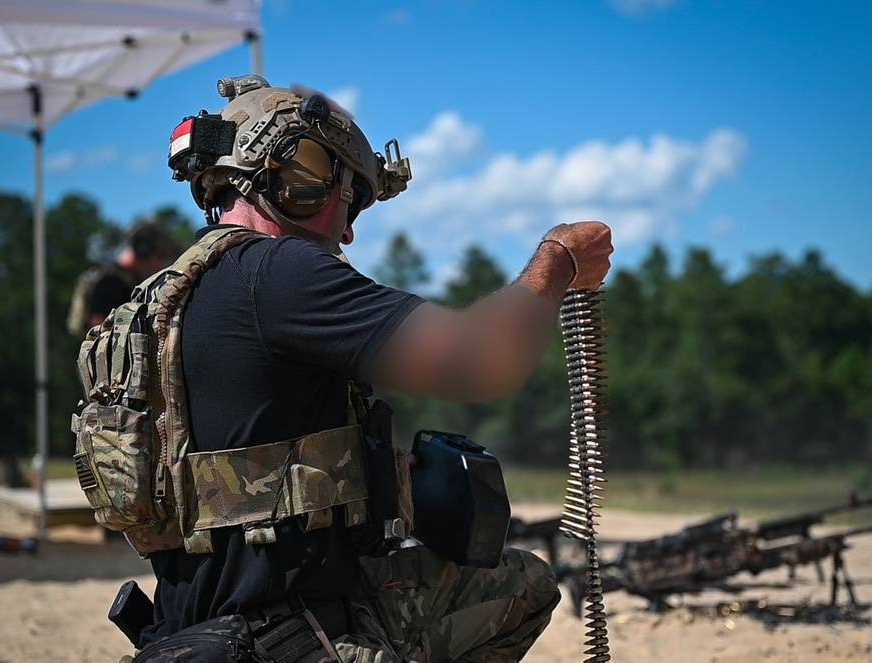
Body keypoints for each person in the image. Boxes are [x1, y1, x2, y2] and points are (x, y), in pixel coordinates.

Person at [138, 74, 613, 662]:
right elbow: (485, 361)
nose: (349, 229)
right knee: (526, 585)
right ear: (302, 179)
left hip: (188, 636)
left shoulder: (161, 303)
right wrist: (558, 261)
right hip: (288, 641)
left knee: (507, 578)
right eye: (351, 197)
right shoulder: (279, 273)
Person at [66, 219, 183, 337]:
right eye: (159, 256)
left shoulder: (128, 280)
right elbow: (98, 329)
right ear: (143, 250)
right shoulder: (112, 283)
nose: (159, 263)